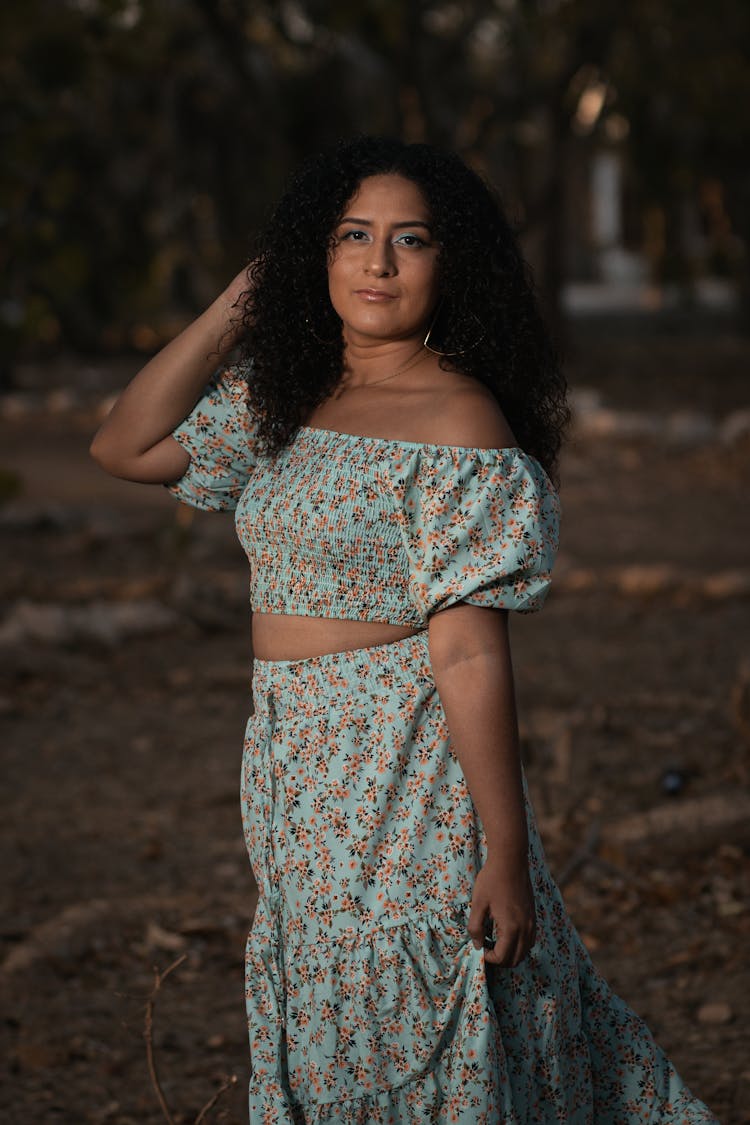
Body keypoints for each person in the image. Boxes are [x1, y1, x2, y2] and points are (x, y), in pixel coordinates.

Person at [91, 136, 718, 1123]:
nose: (378, 264)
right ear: (316, 253)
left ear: (448, 262)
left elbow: (468, 647)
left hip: (406, 772)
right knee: (334, 1021)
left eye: (410, 240)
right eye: (351, 236)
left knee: (422, 1018)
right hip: (295, 775)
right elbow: (121, 444)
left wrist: (504, 853)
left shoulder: (460, 422)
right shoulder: (279, 402)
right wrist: (246, 296)